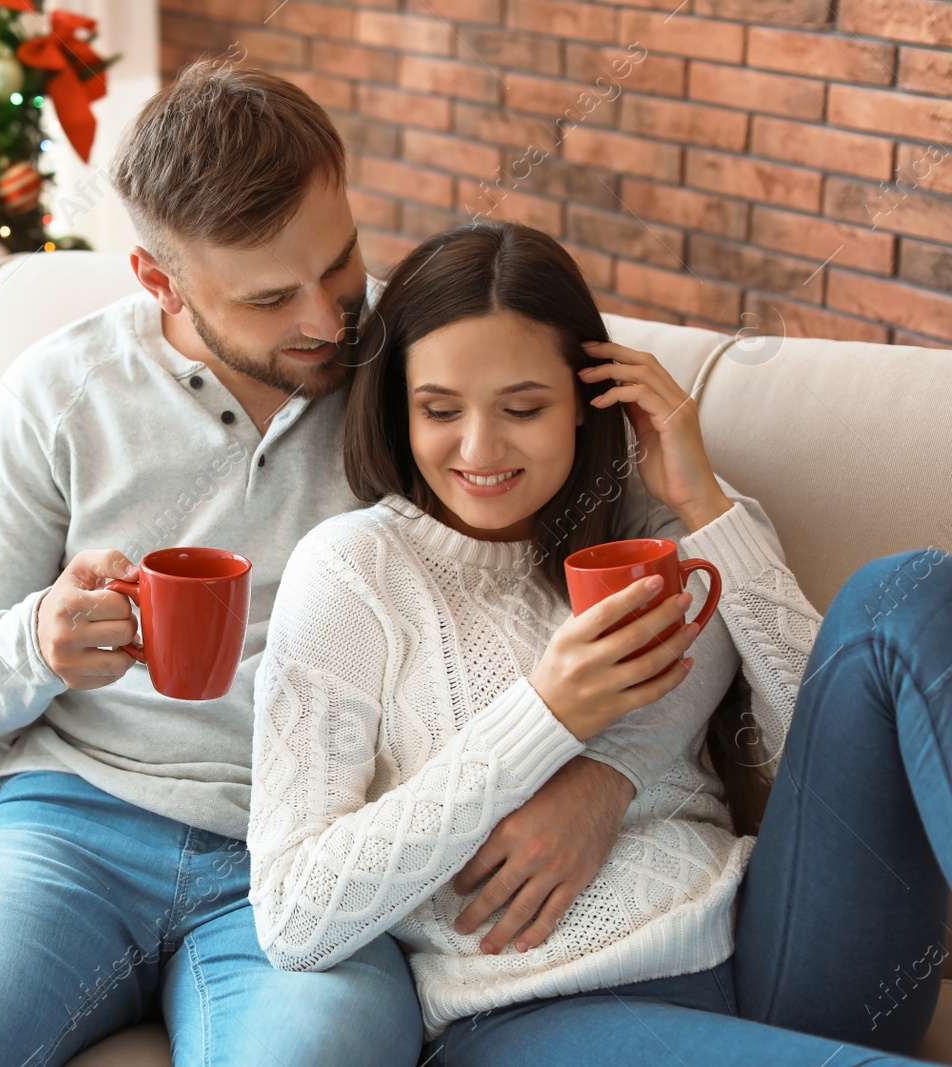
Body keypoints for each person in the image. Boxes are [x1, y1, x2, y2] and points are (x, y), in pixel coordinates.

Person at [0, 62, 765, 1067]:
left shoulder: (424, 367)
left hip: (332, 860)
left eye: (341, 263)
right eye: (273, 296)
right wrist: (37, 642)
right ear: (160, 279)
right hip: (69, 826)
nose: (327, 319)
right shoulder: (60, 391)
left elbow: (690, 591)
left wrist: (605, 774)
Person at [248, 218, 952, 1065]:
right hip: (533, 1015)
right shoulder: (353, 570)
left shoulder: (661, 534)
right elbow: (294, 914)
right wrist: (544, 717)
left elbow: (834, 750)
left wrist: (705, 504)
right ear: (400, 407)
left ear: (586, 400)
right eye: (440, 409)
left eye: (524, 407)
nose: (479, 448)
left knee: (903, 590)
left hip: (777, 949)